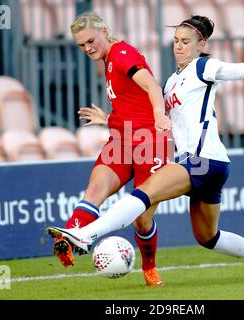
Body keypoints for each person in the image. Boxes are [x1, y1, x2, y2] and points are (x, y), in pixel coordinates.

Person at [47, 16, 244, 282]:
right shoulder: (172, 82)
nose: (178, 47)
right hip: (212, 164)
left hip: (200, 161)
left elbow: (243, 71)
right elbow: (150, 112)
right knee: (208, 236)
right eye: (176, 41)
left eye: (186, 42)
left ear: (202, 44)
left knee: (142, 195)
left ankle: (85, 235)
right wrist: (109, 119)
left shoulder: (203, 66)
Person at [48, 11, 172, 287]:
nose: (87, 48)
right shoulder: (108, 60)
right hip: (122, 139)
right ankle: (69, 238)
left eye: (91, 40)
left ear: (104, 30)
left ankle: (149, 268)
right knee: (94, 191)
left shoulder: (121, 53)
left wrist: (160, 115)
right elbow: (132, 101)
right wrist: (109, 118)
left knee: (142, 219)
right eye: (81, 45)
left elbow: (151, 86)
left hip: (150, 141)